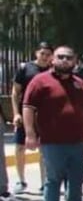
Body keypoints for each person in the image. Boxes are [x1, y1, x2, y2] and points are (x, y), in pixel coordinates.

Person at [21, 46, 83, 201]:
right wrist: (30, 134)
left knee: (77, 180)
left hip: (77, 142)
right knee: (53, 181)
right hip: (52, 142)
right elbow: (28, 107)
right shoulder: (40, 82)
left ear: (75, 61)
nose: (64, 60)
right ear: (53, 60)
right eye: (60, 57)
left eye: (68, 57)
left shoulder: (79, 83)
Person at [11, 41, 54, 193]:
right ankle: (21, 181)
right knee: (20, 147)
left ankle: (45, 183)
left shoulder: (53, 71)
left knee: (44, 149)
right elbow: (15, 92)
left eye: (48, 55)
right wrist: (16, 113)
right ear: (36, 53)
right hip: (25, 113)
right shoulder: (25, 68)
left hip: (45, 115)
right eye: (42, 54)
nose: (45, 57)